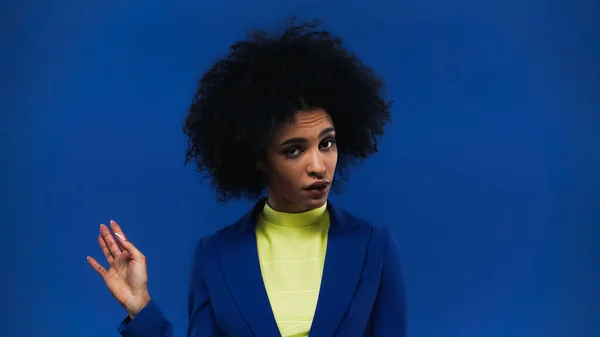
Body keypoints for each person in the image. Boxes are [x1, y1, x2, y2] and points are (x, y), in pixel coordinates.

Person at [87, 18, 407, 337]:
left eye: (327, 143)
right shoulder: (216, 256)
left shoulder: (373, 247)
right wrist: (139, 306)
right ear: (258, 159)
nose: (318, 166)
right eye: (294, 150)